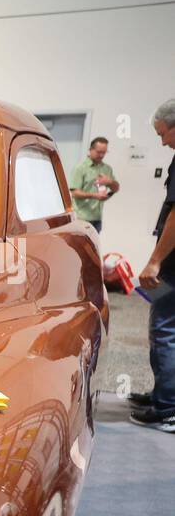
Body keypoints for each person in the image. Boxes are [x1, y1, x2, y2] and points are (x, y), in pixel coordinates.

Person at [129, 100, 175, 433]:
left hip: (173, 264)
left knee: (165, 329)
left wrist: (155, 261)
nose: (162, 142)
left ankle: (167, 409)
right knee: (166, 326)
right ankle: (163, 394)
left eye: (163, 134)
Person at [67, 137, 119, 234]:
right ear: (91, 150)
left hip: (97, 219)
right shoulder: (80, 168)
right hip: (80, 218)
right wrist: (95, 196)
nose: (101, 155)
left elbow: (116, 188)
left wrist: (110, 182)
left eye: (104, 152)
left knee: (93, 248)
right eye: (99, 152)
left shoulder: (107, 169)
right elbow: (74, 192)